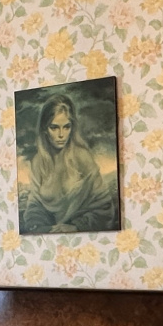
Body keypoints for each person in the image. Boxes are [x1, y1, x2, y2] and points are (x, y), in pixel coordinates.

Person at [20, 92, 111, 232]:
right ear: (45, 129)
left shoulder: (82, 157)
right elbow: (35, 204)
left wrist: (75, 226)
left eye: (66, 127)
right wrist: (39, 226)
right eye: (54, 127)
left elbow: (104, 206)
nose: (61, 135)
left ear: (72, 128)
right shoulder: (38, 162)